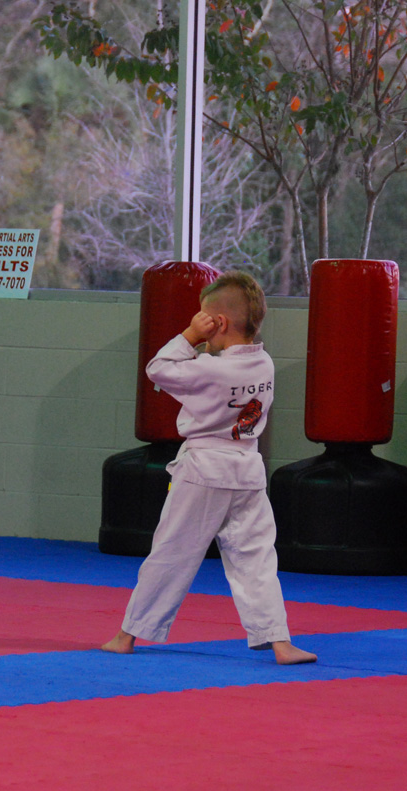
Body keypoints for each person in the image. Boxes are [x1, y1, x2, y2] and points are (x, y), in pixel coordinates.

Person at [102, 271, 317, 665]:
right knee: (256, 559)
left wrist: (188, 336)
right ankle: (280, 643)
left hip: (203, 470)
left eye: (205, 318)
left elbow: (158, 369)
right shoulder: (264, 365)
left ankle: (126, 636)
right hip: (248, 469)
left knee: (172, 553)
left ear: (216, 323)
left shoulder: (209, 369)